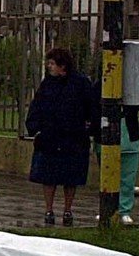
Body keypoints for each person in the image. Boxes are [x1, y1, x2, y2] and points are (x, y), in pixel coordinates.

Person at [24, 47, 98, 226]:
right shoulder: (47, 84)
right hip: (50, 138)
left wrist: (89, 128)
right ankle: (48, 210)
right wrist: (36, 129)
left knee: (70, 177)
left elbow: (92, 107)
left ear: (62, 66)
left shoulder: (80, 83)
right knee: (48, 177)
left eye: (52, 64)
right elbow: (37, 107)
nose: (49, 67)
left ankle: (67, 210)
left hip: (73, 139)